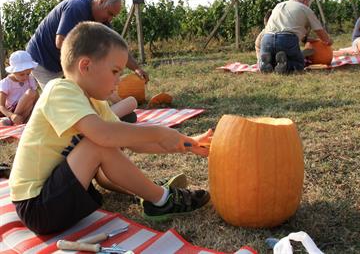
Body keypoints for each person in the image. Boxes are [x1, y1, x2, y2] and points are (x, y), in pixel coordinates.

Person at [9, 21, 212, 235]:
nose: (119, 80)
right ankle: (161, 199)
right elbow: (104, 136)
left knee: (103, 144)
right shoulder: (59, 90)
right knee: (97, 144)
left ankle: (145, 190)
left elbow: (134, 142)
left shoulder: (96, 103)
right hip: (37, 206)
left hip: (56, 197)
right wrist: (160, 131)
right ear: (85, 66)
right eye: (115, 71)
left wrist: (187, 142)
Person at [26, 0, 149, 89]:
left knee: (77, 97)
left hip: (61, 63)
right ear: (101, 1)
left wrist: (136, 68)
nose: (110, 19)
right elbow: (61, 42)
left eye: (113, 16)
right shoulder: (76, 8)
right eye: (110, 13)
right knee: (56, 101)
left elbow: (116, 47)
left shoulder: (103, 22)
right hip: (41, 58)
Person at [259, 0, 333, 74]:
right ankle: (287, 66)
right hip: (286, 40)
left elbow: (283, 27)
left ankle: (265, 63)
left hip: (266, 39)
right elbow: (319, 30)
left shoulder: (278, 6)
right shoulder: (305, 9)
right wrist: (328, 40)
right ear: (305, 0)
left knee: (273, 58)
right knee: (298, 64)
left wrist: (306, 39)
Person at [0, 51, 39, 126]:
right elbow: (1, 106)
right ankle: (13, 121)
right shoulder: (6, 83)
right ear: (13, 71)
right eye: (21, 74)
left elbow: (36, 97)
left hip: (27, 110)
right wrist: (12, 115)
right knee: (31, 92)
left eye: (28, 74)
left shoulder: (30, 79)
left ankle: (20, 121)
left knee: (32, 92)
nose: (25, 77)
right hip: (12, 112)